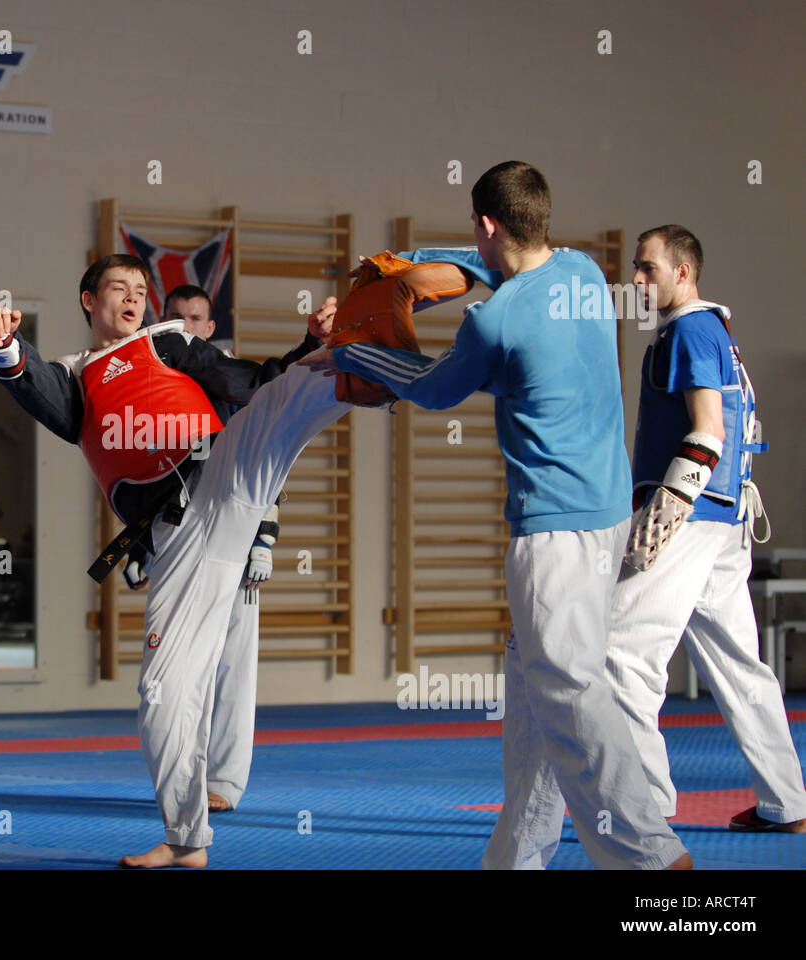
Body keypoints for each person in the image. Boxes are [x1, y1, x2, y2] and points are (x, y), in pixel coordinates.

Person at [309, 161, 691, 869]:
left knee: (570, 695)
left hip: (553, 536)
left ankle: (652, 857)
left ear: (487, 224)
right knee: (535, 700)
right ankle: (515, 860)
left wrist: (353, 349)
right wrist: (415, 262)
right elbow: (489, 266)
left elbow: (432, 389)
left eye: (476, 236)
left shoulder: (495, 320)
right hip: (607, 523)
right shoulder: (580, 273)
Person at [0, 254, 356, 867]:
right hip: (179, 537)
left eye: (138, 290)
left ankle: (365, 354)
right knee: (163, 690)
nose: (132, 300)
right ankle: (187, 842)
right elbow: (34, 387)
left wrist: (310, 342)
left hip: (223, 474)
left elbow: (250, 384)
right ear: (87, 300)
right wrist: (2, 346)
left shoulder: (170, 344)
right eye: (118, 289)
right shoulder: (77, 378)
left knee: (285, 399)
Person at [606, 225, 805, 832]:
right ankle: (787, 803)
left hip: (691, 520)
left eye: (648, 269)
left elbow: (709, 430)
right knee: (742, 667)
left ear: (683, 272)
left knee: (621, 654)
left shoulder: (690, 328)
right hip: (724, 520)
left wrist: (664, 512)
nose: (638, 280)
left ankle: (646, 806)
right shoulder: (715, 330)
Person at [130, 283, 277, 814]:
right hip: (177, 536)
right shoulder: (154, 379)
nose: (187, 326)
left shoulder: (234, 378)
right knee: (176, 663)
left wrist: (264, 542)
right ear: (161, 322)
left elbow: (267, 464)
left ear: (211, 328)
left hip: (238, 532)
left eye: (196, 318)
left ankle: (225, 780)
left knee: (233, 659)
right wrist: (139, 543)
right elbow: (147, 474)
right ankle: (182, 775)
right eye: (176, 317)